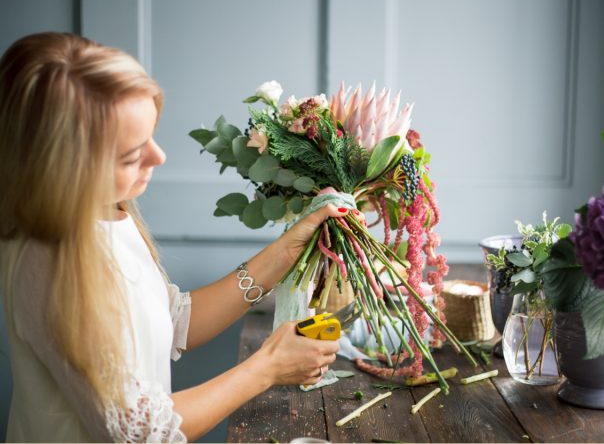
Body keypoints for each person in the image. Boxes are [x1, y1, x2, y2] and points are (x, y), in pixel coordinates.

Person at [0, 32, 345, 442]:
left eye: (151, 135)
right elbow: (142, 433)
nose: (158, 157)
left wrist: (287, 251)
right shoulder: (50, 260)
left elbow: (171, 320)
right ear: (62, 167)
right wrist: (266, 367)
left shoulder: (108, 212)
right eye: (131, 154)